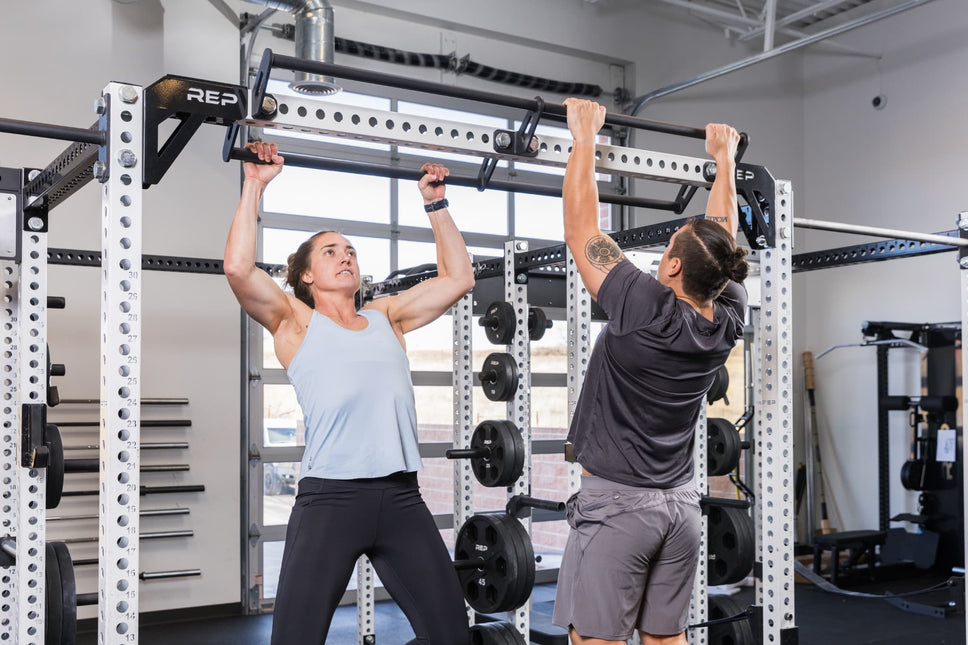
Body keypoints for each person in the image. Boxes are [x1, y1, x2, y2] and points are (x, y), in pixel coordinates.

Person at [224, 141, 474, 645]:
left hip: (401, 497)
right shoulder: (294, 322)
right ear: (306, 275)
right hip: (330, 500)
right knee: (296, 638)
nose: (346, 258)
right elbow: (237, 269)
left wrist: (436, 203)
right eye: (331, 252)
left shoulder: (387, 316)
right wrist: (254, 184)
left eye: (351, 252)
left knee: (451, 633)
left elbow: (459, 277)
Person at [552, 99, 749, 645]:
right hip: (680, 509)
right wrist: (723, 162)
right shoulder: (728, 318)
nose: (661, 253)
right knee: (666, 640)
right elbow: (720, 235)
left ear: (674, 266)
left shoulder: (645, 308)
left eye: (667, 248)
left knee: (596, 640)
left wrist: (585, 137)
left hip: (619, 509)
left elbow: (580, 229)